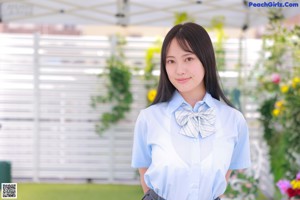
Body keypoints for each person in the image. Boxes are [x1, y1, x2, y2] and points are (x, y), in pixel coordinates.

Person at [131, 22, 251, 200]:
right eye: (171, 61)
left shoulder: (234, 120)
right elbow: (145, 176)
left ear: (206, 59)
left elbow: (225, 175)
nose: (179, 70)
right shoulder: (148, 118)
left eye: (188, 58)